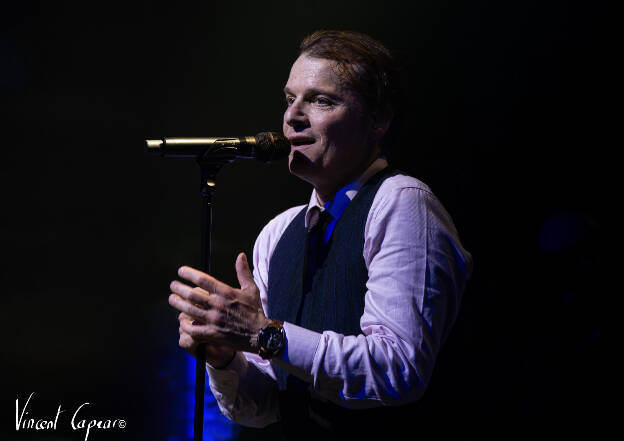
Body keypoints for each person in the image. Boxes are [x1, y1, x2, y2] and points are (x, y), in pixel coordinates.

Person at [168, 30, 472, 440]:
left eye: (321, 100)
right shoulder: (278, 233)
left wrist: (262, 333)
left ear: (378, 120)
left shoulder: (402, 203)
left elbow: (398, 370)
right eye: (289, 99)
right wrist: (226, 360)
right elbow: (265, 407)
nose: (292, 116)